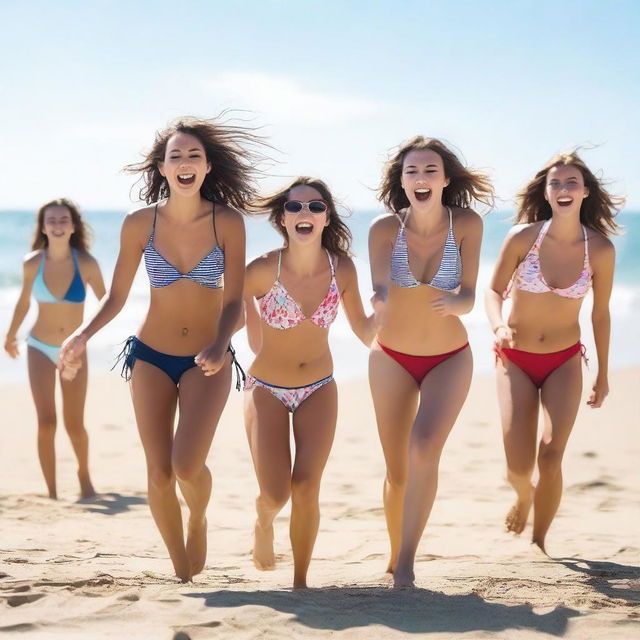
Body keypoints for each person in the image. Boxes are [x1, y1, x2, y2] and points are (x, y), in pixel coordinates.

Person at [59, 116, 264, 581]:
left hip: (207, 361)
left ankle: (199, 517)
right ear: (162, 167)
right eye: (176, 156)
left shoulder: (227, 222)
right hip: (150, 354)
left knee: (187, 466)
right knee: (158, 473)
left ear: (208, 167)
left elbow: (234, 301)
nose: (185, 163)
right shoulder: (139, 223)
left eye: (194, 156)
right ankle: (181, 574)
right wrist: (82, 335)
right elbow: (115, 296)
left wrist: (220, 343)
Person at [368, 136, 493, 588]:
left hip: (449, 358)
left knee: (423, 447)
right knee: (397, 470)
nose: (420, 179)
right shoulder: (384, 229)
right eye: (411, 172)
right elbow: (380, 286)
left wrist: (458, 302)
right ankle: (395, 549)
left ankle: (405, 562)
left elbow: (470, 292)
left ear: (445, 179)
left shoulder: (467, 223)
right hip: (391, 358)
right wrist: (377, 299)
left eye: (429, 171)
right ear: (401, 181)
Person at [244, 177, 377, 588]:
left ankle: (300, 581)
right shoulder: (262, 269)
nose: (305, 214)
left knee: (306, 487)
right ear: (281, 218)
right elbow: (238, 325)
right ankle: (263, 521)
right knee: (276, 493)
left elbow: (366, 332)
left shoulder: (343, 269)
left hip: (319, 387)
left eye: (315, 207)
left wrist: (391, 307)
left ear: (326, 217)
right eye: (295, 207)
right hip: (266, 388)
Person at [485, 151, 620, 554]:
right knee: (518, 464)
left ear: (585, 192)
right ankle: (523, 495)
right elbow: (493, 291)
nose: (563, 189)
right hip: (515, 360)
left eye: (571, 183)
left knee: (552, 456)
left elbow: (600, 314)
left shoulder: (600, 250)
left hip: (564, 360)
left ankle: (540, 542)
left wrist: (604, 373)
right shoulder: (523, 237)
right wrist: (498, 325)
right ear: (546, 193)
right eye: (555, 183)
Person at [4, 198, 106, 499]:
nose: (58, 225)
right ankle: (51, 492)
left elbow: (107, 302)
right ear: (43, 227)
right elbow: (23, 303)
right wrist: (10, 335)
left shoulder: (86, 263)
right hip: (38, 346)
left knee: (75, 424)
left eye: (64, 220)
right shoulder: (32, 262)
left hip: (74, 351)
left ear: (74, 226)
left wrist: (87, 337)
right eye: (52, 220)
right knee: (46, 422)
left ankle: (84, 479)